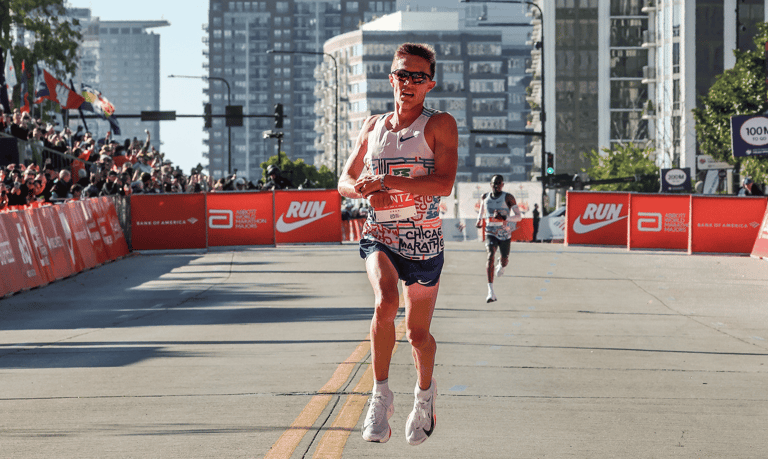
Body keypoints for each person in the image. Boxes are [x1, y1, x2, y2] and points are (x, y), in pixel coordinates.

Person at [338, 42, 458, 446]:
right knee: (385, 302)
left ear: (430, 85)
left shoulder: (439, 124)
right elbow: (345, 181)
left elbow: (443, 183)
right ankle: (380, 395)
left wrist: (388, 182)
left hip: (423, 239)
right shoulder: (373, 126)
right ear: (391, 79)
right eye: (402, 74)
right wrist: (364, 192)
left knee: (418, 336)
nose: (408, 82)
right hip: (380, 235)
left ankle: (424, 395)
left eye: (417, 77)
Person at [475, 174, 522, 303]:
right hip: (490, 232)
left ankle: (501, 264)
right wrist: (479, 220)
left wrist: (505, 218)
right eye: (494, 184)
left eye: (499, 183)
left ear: (503, 185)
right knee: (490, 255)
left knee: (505, 259)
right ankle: (490, 292)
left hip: (504, 233)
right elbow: (482, 210)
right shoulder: (485, 197)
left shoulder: (508, 197)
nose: (496, 186)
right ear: (491, 184)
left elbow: (519, 216)